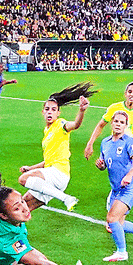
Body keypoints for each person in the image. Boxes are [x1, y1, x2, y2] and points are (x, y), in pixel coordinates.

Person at [19, 82, 96, 212]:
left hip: (58, 173)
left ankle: (65, 198)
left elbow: (75, 124)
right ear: (42, 112)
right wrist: (30, 168)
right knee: (23, 206)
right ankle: (17, 232)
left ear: (58, 113)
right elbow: (48, 160)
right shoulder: (46, 131)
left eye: (53, 110)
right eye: (47, 109)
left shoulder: (60, 124)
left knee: (23, 179)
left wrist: (81, 111)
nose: (50, 112)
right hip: (52, 176)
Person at [95, 110, 133, 262]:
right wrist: (100, 165)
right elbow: (105, 164)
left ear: (126, 125)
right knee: (116, 223)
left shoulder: (129, 142)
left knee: (112, 218)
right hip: (116, 189)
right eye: (116, 121)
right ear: (112, 123)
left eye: (122, 122)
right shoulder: (105, 143)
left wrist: (129, 175)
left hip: (130, 188)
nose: (118, 124)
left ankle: (122, 252)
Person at [84, 81, 133, 162]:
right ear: (125, 94)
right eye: (130, 92)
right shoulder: (114, 108)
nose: (132, 94)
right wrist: (90, 143)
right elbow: (100, 125)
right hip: (116, 148)